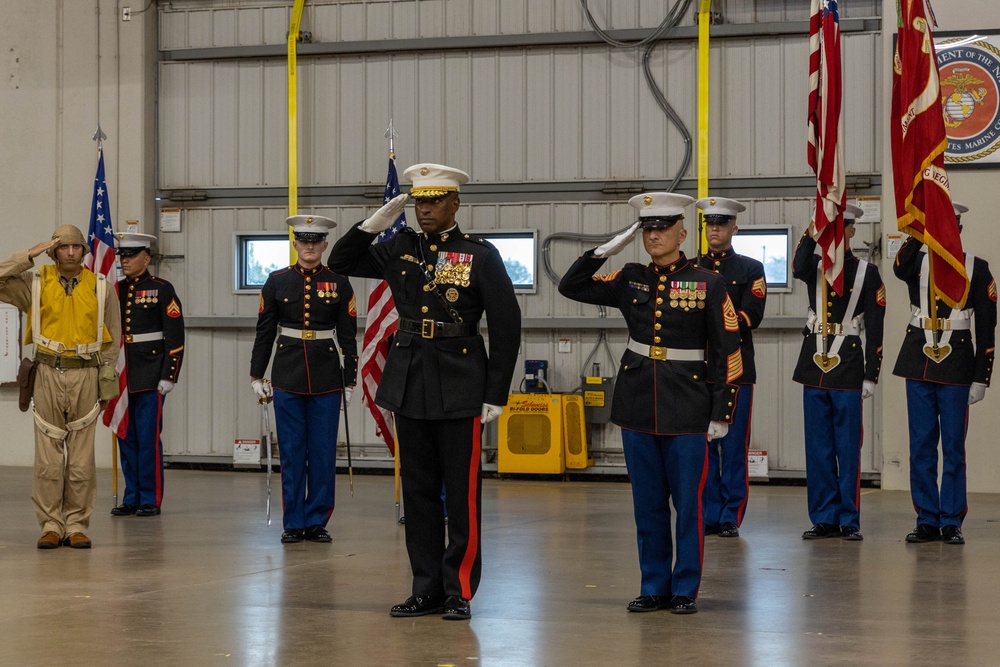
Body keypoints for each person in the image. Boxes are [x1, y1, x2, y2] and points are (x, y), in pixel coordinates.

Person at [328, 163, 521, 621]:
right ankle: (426, 587)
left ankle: (459, 591)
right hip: (411, 379)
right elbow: (339, 262)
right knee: (416, 494)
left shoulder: (479, 254)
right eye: (419, 201)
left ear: (456, 203)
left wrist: (496, 391)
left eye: (435, 201)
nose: (426, 209)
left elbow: (507, 325)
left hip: (461, 381)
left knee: (461, 495)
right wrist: (371, 225)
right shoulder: (399, 247)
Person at [559, 192, 743, 615]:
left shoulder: (707, 283)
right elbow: (571, 286)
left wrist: (722, 411)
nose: (654, 235)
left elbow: (727, 350)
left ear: (682, 232)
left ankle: (684, 588)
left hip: (688, 405)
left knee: (688, 506)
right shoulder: (630, 277)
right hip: (638, 402)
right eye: (647, 228)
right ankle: (654, 585)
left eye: (662, 228)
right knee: (648, 504)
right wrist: (602, 252)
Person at [0, 225, 120, 549]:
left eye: (76, 246)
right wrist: (28, 255)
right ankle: (51, 524)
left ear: (84, 251)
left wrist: (106, 379)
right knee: (48, 461)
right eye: (62, 246)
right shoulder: (35, 284)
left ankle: (77, 524)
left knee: (81, 461)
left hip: (87, 375)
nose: (70, 252)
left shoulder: (101, 287)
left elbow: (113, 336)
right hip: (47, 374)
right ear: (53, 251)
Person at [250, 215, 358, 545]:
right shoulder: (276, 281)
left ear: (324, 245)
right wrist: (257, 374)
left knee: (323, 452)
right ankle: (293, 521)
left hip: (327, 376)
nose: (309, 247)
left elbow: (349, 335)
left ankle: (317, 520)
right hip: (287, 374)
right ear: (295, 243)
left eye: (316, 241)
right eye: (303, 241)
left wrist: (350, 380)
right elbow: (265, 332)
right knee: (293, 452)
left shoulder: (339, 281)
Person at [892, 202, 996, 545]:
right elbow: (898, 266)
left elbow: (988, 326)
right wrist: (918, 231)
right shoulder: (916, 262)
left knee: (952, 447)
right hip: (918, 360)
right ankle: (926, 518)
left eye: (947, 227)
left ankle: (951, 520)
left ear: (958, 229)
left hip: (957, 366)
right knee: (921, 446)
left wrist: (982, 376)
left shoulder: (977, 268)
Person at [792, 203, 885, 541]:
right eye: (830, 228)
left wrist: (871, 373)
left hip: (847, 366)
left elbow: (875, 327)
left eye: (840, 228)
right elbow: (797, 265)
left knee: (847, 448)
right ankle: (824, 517)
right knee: (817, 449)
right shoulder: (814, 266)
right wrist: (812, 229)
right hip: (813, 367)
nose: (836, 234)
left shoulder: (867, 272)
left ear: (851, 230)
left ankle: (848, 518)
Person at [695, 196, 766, 538]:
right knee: (703, 448)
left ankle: (730, 515)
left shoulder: (750, 269)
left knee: (734, 447)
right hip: (697, 370)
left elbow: (751, 316)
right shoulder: (691, 269)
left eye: (721, 224)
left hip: (736, 370)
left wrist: (712, 320)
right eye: (710, 224)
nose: (715, 230)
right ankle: (708, 513)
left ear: (733, 229)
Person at [110, 232, 185, 518]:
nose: (125, 260)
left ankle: (149, 498)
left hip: (151, 374)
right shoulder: (115, 290)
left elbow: (175, 336)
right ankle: (131, 496)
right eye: (122, 255)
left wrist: (169, 375)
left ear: (147, 258)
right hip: (122, 373)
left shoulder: (162, 289)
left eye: (131, 255)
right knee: (126, 437)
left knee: (147, 438)